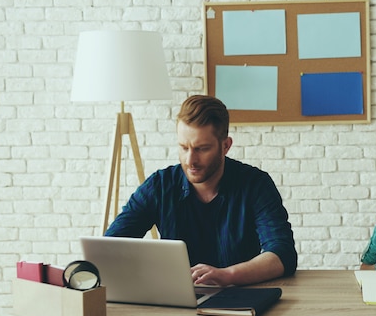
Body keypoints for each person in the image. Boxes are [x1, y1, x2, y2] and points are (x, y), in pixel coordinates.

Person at [105, 95, 297, 287]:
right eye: (183, 147)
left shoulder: (256, 185)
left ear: (225, 146)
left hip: (241, 298)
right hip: (175, 302)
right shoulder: (159, 186)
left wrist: (227, 275)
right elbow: (109, 248)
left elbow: (282, 253)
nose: (190, 160)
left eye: (202, 149)